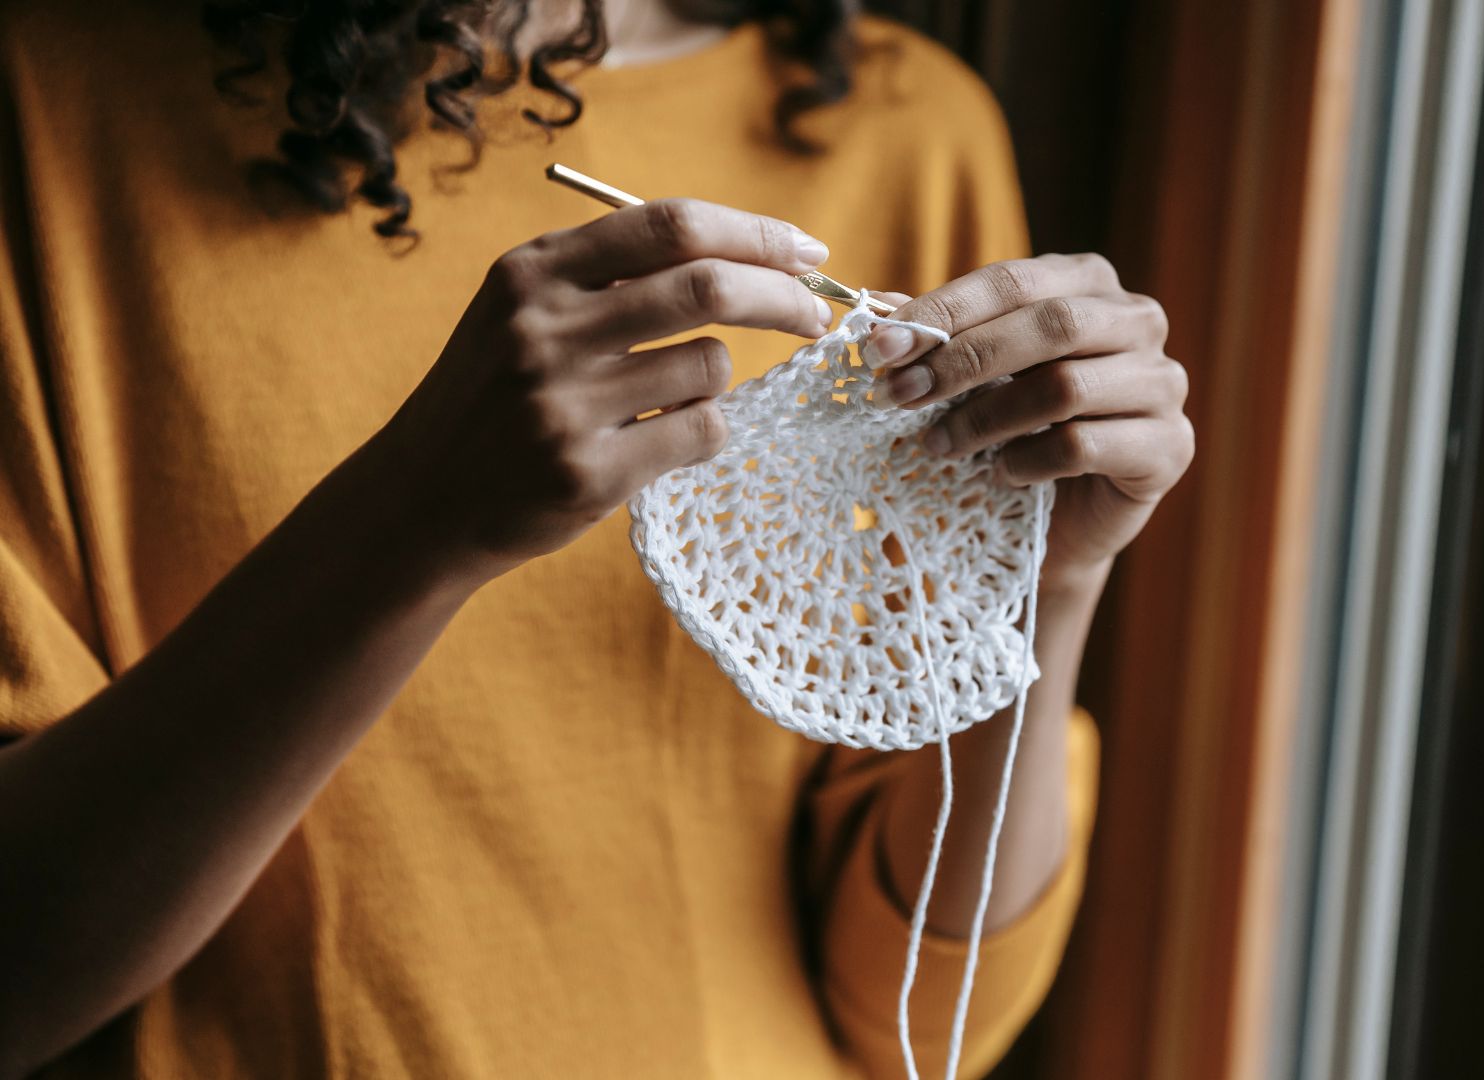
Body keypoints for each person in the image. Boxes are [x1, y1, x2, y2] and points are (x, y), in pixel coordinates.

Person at [0, 1, 1193, 1076]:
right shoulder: (50, 100)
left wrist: (1047, 576)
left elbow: (926, 1025)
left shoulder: (900, 129)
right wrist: (415, 521)